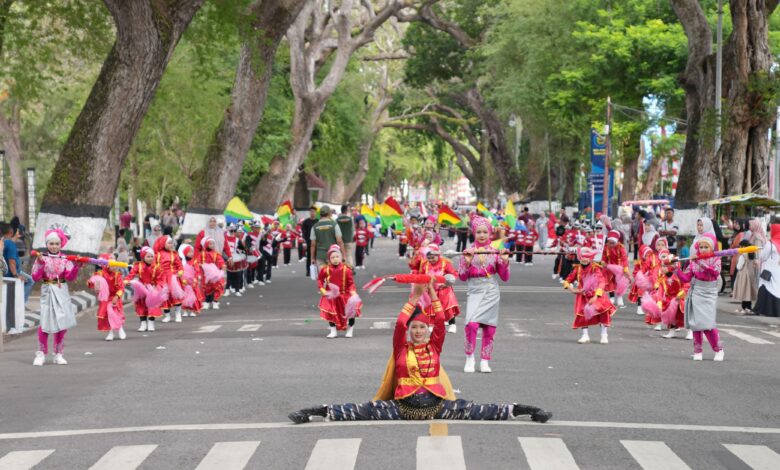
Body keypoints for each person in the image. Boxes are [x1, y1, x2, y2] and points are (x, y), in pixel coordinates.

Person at [288, 281, 552, 424]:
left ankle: (525, 410)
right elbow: (400, 324)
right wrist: (414, 299)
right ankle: (314, 412)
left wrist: (434, 295)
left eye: (421, 328)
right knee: (360, 410)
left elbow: (439, 322)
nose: (417, 331)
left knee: (479, 410)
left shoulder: (434, 344)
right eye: (414, 328)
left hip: (437, 406)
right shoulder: (401, 348)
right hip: (403, 408)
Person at [458, 216, 510, 373]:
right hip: (474, 290)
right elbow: (462, 276)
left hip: (491, 290)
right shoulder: (468, 251)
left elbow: (505, 277)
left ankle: (485, 360)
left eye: (485, 232)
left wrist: (504, 261)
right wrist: (467, 262)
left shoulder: (496, 252)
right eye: (478, 232)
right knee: (471, 325)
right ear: (474, 232)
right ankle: (469, 358)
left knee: (489, 328)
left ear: (490, 233)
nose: (482, 235)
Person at [31, 229, 82, 366]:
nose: (54, 246)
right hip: (47, 290)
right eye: (51, 243)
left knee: (61, 323)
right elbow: (35, 277)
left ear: (61, 245)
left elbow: (70, 277)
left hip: (61, 291)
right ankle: (41, 353)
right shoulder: (41, 257)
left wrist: (77, 265)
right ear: (47, 244)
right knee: (45, 323)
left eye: (57, 244)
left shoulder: (65, 259)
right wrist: (41, 263)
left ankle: (59, 353)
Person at [676, 234, 724, 361]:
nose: (702, 249)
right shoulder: (693, 261)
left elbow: (714, 272)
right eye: (701, 247)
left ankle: (718, 349)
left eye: (706, 247)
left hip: (710, 292)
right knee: (696, 323)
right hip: (696, 291)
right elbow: (686, 278)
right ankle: (698, 351)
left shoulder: (716, 259)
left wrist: (700, 261)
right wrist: (676, 269)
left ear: (711, 248)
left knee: (708, 323)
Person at [564, 246, 616, 344]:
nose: (585, 259)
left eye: (587, 257)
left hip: (596, 295)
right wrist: (571, 289)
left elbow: (602, 282)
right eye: (583, 257)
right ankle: (585, 335)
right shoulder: (577, 269)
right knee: (582, 315)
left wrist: (596, 296)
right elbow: (568, 280)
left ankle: (604, 335)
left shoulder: (595, 268)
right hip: (583, 296)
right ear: (580, 257)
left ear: (590, 258)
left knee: (603, 313)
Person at [318, 244, 361, 338]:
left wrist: (353, 291)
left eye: (337, 256)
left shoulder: (347, 269)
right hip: (331, 296)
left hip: (345, 295)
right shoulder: (325, 270)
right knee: (331, 313)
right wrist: (322, 289)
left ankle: (350, 330)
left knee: (351, 313)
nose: (335, 259)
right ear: (329, 259)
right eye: (332, 257)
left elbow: (351, 283)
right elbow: (320, 280)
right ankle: (333, 331)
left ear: (341, 257)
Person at [419, 243, 460, 333]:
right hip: (431, 291)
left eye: (433, 257)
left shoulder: (445, 263)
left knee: (448, 308)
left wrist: (447, 282)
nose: (431, 260)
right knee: (431, 308)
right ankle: (432, 324)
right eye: (429, 258)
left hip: (444, 290)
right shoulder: (425, 265)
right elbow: (421, 276)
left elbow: (454, 273)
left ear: (438, 255)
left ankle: (452, 324)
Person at [125, 246, 163, 332]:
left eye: (151, 256)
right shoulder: (138, 266)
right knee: (141, 305)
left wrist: (158, 287)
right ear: (143, 257)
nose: (150, 258)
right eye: (148, 256)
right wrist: (127, 280)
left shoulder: (157, 267)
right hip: (141, 288)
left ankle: (151, 322)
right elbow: (131, 274)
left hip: (152, 288)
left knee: (152, 305)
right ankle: (143, 323)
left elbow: (160, 279)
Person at [91, 257, 127, 341]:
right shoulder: (100, 274)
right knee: (107, 315)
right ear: (107, 266)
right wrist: (94, 285)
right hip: (105, 298)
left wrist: (117, 296)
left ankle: (120, 328)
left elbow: (121, 288)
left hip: (115, 297)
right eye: (112, 265)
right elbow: (92, 282)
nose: (114, 267)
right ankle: (111, 332)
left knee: (114, 313)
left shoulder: (118, 275)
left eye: (115, 265)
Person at [154, 235, 185, 323]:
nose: (171, 245)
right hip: (162, 278)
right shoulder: (158, 255)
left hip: (173, 278)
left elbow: (179, 265)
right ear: (163, 243)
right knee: (164, 297)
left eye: (172, 243)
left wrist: (180, 271)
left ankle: (178, 314)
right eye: (169, 243)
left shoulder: (174, 254)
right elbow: (154, 266)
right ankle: (167, 315)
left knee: (175, 296)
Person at [754, 221, 780, 317]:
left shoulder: (771, 243)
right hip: (778, 270)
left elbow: (763, 256)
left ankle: (765, 309)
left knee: (766, 286)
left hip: (770, 270)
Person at [3, 224, 33, 303]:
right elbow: (11, 262)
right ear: (11, 232)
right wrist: (16, 275)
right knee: (30, 281)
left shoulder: (4, 242)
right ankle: (21, 302)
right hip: (13, 272)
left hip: (8, 271)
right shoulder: (11, 245)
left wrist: (16, 236)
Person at [310, 205, 345, 269]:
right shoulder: (334, 225)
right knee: (333, 276)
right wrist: (343, 255)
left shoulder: (314, 227)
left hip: (320, 255)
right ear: (329, 213)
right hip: (333, 255)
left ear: (320, 214)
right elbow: (339, 241)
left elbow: (313, 244)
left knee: (322, 276)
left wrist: (312, 258)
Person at [199, 237, 226, 310]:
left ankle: (215, 301)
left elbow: (220, 260)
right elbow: (197, 262)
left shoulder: (216, 254)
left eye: (213, 243)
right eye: (210, 244)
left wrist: (222, 265)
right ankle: (207, 302)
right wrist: (199, 265)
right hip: (206, 275)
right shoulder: (202, 254)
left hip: (215, 275)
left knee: (218, 287)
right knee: (207, 289)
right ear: (206, 244)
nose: (212, 245)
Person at [732, 240, 758, 314]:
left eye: (740, 247)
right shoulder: (752, 253)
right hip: (751, 274)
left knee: (744, 290)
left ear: (743, 247)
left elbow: (739, 267)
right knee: (749, 291)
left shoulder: (743, 255)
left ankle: (744, 307)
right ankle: (748, 307)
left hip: (743, 274)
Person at [301, 206, 318, 278]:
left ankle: (317, 271)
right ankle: (308, 271)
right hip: (309, 242)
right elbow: (304, 232)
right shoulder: (306, 222)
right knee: (309, 257)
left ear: (316, 213)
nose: (312, 213)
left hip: (317, 242)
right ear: (309, 212)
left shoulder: (318, 221)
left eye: (313, 212)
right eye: (311, 212)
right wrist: (305, 241)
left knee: (317, 257)